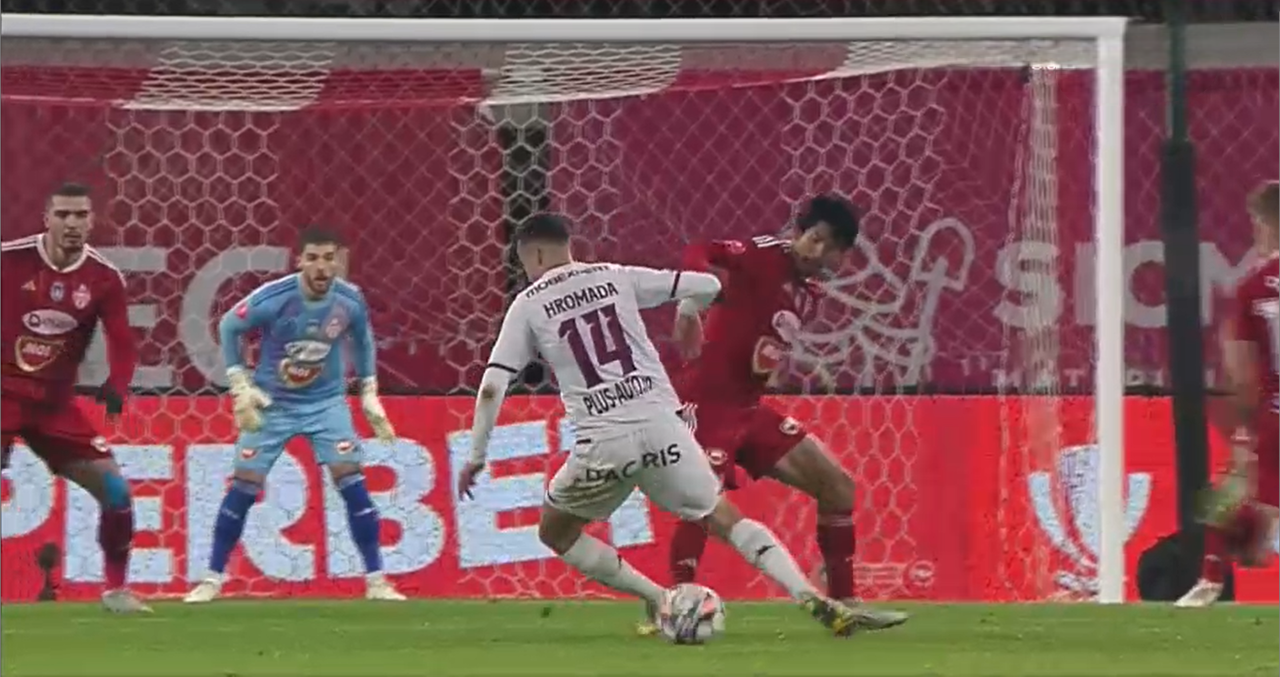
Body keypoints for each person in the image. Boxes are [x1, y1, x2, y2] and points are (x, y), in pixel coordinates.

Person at [457, 213, 863, 636]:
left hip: (604, 441)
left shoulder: (528, 304)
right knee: (724, 517)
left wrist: (476, 457)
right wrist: (688, 309)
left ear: (536, 255)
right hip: (662, 427)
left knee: (556, 532)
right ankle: (808, 594)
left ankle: (658, 598)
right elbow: (707, 285)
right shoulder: (615, 275)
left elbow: (491, 387)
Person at [647, 195, 907, 633]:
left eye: (830, 247)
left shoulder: (810, 294)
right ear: (799, 232)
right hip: (708, 403)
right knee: (701, 502)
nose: (817, 251)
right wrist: (690, 303)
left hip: (748, 409)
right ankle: (674, 603)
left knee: (838, 487)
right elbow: (702, 250)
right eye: (813, 238)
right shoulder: (764, 254)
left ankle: (845, 604)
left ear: (842, 257)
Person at [185, 227, 404, 602]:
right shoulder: (276, 298)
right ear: (299, 261)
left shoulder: (349, 300)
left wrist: (368, 392)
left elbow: (364, 340)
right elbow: (229, 325)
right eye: (313, 258)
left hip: (326, 403)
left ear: (338, 261)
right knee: (244, 484)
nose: (321, 267)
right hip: (274, 404)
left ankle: (377, 581)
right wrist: (240, 383)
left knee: (351, 479)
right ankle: (211, 579)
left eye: (328, 258)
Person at [1, 183, 148, 612]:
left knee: (116, 491)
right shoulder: (10, 260)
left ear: (91, 221)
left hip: (54, 408)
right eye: (63, 214)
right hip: (3, 397)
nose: (72, 223)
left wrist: (118, 384)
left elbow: (122, 340)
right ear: (46, 219)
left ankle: (116, 591)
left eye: (80, 215)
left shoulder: (103, 277)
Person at [1178, 180, 1279, 608]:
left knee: (1232, 488)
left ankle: (1210, 577)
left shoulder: (1252, 287)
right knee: (1255, 505)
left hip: (1274, 413)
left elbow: (1240, 370)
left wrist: (1242, 430)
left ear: (1265, 224)